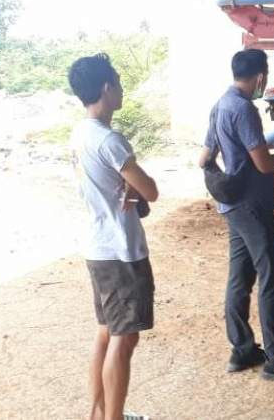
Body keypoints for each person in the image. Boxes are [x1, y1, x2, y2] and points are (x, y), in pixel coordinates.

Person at [198, 49, 274, 380]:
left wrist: (230, 172)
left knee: (240, 278)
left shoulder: (219, 105)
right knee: (273, 277)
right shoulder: (243, 109)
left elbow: (203, 158)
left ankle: (242, 349)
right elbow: (264, 164)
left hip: (233, 206)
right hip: (253, 206)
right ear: (261, 77)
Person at [69, 53, 158, 420]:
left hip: (97, 246)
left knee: (107, 332)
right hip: (121, 252)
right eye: (118, 83)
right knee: (124, 338)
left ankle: (99, 412)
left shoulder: (79, 133)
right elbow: (150, 191)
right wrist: (136, 187)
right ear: (106, 87)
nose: (121, 89)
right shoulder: (110, 139)